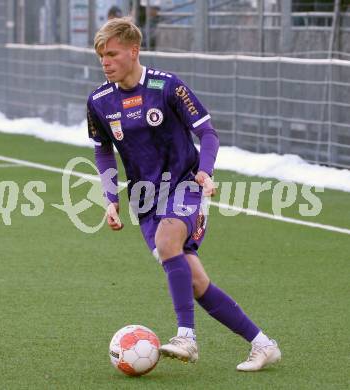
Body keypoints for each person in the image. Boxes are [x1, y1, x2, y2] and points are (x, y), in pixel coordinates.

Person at [87, 17, 281, 371]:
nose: (105, 62)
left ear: (134, 50)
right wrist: (110, 197)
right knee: (195, 282)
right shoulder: (99, 101)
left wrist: (205, 171)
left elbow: (208, 133)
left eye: (112, 54)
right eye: (101, 56)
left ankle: (186, 337)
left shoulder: (167, 86)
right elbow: (103, 151)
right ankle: (263, 344)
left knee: (168, 239)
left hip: (185, 185)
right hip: (144, 200)